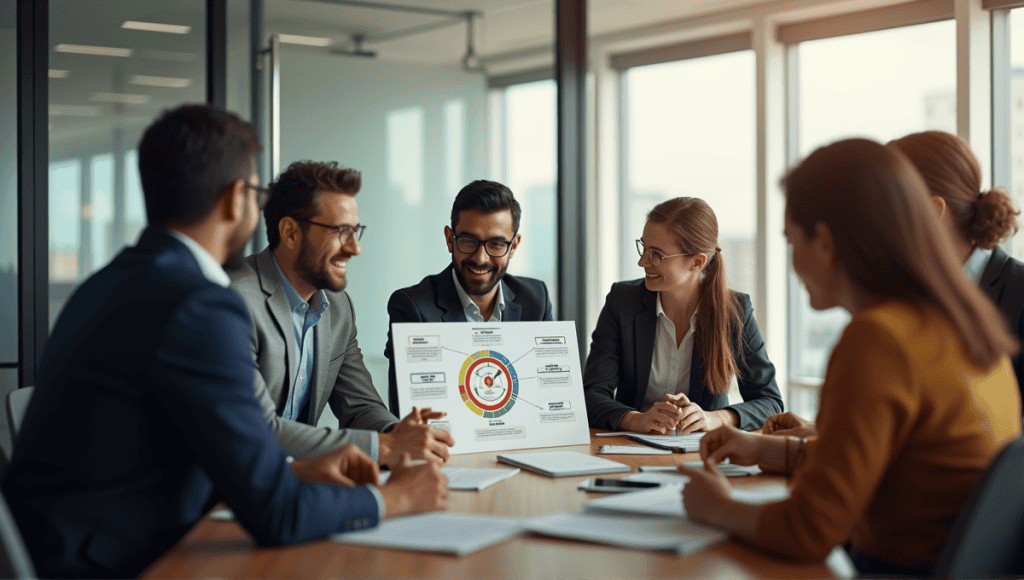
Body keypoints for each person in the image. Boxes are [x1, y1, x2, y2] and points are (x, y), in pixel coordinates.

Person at [0, 104, 447, 578]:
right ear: (237, 198)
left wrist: (294, 472)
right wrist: (396, 497)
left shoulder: (114, 280)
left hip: (74, 542)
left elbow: (157, 455)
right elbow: (279, 515)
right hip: (111, 563)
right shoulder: (199, 305)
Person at [679, 138, 1021, 575]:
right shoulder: (956, 320)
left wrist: (717, 507)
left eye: (791, 240)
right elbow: (892, 466)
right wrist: (765, 449)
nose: (791, 262)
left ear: (825, 241)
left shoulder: (879, 339)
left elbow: (810, 529)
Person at [231, 160, 455, 464]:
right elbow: (259, 428)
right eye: (341, 232)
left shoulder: (338, 308)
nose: (355, 248)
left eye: (356, 231)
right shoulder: (235, 299)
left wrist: (397, 432)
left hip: (296, 480)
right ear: (290, 232)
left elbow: (360, 405)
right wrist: (385, 446)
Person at [583, 197, 783, 434]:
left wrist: (714, 419)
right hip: (630, 446)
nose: (642, 261)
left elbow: (771, 404)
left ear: (697, 262)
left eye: (656, 254)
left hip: (702, 453)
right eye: (643, 248)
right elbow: (591, 395)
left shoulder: (735, 312)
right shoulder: (622, 301)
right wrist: (637, 420)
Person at [384, 180, 553, 414]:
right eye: (468, 241)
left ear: (513, 246)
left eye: (496, 244)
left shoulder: (536, 299)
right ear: (449, 239)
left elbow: (545, 396)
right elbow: (409, 413)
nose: (480, 258)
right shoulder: (413, 307)